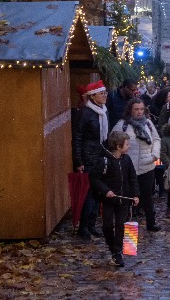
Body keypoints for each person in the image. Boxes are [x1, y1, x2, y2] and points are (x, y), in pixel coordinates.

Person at [90, 131, 140, 267]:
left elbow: (132, 177)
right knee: (107, 225)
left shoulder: (126, 160)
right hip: (109, 200)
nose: (129, 147)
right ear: (118, 146)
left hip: (124, 199)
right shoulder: (104, 161)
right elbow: (94, 178)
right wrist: (106, 191)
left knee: (121, 225)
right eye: (127, 144)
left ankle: (117, 251)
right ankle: (112, 246)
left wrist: (135, 195)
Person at [114, 98, 162, 232]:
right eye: (136, 109)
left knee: (147, 196)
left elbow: (157, 139)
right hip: (129, 167)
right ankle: (124, 224)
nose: (139, 112)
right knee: (127, 196)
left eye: (141, 109)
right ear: (130, 110)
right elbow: (114, 141)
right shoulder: (122, 125)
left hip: (147, 165)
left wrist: (154, 155)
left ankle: (151, 223)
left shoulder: (148, 124)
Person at [73, 80, 110, 240]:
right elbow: (78, 138)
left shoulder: (104, 111)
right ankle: (84, 226)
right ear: (93, 96)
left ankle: (92, 224)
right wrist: (78, 161)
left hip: (99, 155)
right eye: (102, 93)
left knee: (97, 192)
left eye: (105, 93)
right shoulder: (85, 113)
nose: (105, 96)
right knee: (89, 193)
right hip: (88, 157)